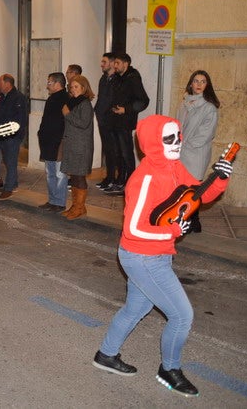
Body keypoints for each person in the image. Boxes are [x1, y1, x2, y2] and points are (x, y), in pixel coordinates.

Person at [92, 114, 233, 397]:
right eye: (169, 138)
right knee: (182, 316)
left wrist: (219, 179)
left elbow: (197, 194)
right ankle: (169, 370)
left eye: (178, 136)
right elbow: (132, 229)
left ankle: (106, 355)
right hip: (142, 256)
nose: (177, 143)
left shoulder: (172, 167)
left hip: (156, 254)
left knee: (136, 309)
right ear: (152, 142)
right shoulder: (144, 178)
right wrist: (170, 232)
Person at [175, 70, 220, 233]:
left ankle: (194, 220)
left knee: (193, 188)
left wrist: (186, 143)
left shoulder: (209, 108)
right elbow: (177, 125)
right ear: (191, 84)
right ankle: (186, 219)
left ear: (207, 85)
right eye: (196, 81)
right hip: (181, 151)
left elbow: (207, 133)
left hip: (196, 153)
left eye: (203, 81)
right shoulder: (183, 104)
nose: (199, 84)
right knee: (181, 188)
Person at [104, 53, 149, 195]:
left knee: (126, 154)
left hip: (125, 123)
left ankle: (130, 183)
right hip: (114, 121)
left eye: (117, 63)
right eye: (114, 63)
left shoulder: (133, 78)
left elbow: (143, 100)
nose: (114, 66)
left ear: (126, 64)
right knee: (117, 153)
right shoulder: (117, 78)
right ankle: (119, 181)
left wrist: (126, 109)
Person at [61, 75, 95, 219]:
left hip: (81, 147)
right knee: (74, 176)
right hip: (72, 145)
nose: (73, 89)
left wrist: (68, 115)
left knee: (80, 177)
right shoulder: (73, 102)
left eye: (76, 87)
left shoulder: (85, 103)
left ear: (83, 87)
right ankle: (76, 206)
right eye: (71, 87)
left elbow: (83, 123)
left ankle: (79, 207)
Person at [0, 74, 29, 200]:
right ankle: (13, 183)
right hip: (2, 135)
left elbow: (21, 118)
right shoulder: (3, 97)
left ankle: (8, 189)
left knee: (11, 162)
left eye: (0, 83)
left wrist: (16, 135)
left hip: (12, 136)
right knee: (7, 161)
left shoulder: (18, 98)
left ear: (7, 84)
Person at [37, 72, 68, 212]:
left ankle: (60, 202)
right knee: (50, 173)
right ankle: (52, 200)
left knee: (60, 174)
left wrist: (59, 138)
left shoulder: (65, 98)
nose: (47, 85)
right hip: (48, 141)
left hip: (58, 142)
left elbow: (65, 121)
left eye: (49, 83)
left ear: (57, 83)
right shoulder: (52, 99)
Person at [94, 53, 117, 190]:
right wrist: (97, 110)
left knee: (114, 151)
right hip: (102, 119)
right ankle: (108, 177)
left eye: (104, 61)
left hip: (112, 120)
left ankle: (114, 179)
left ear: (112, 63)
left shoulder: (117, 80)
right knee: (107, 150)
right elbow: (101, 97)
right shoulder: (103, 79)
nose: (101, 64)